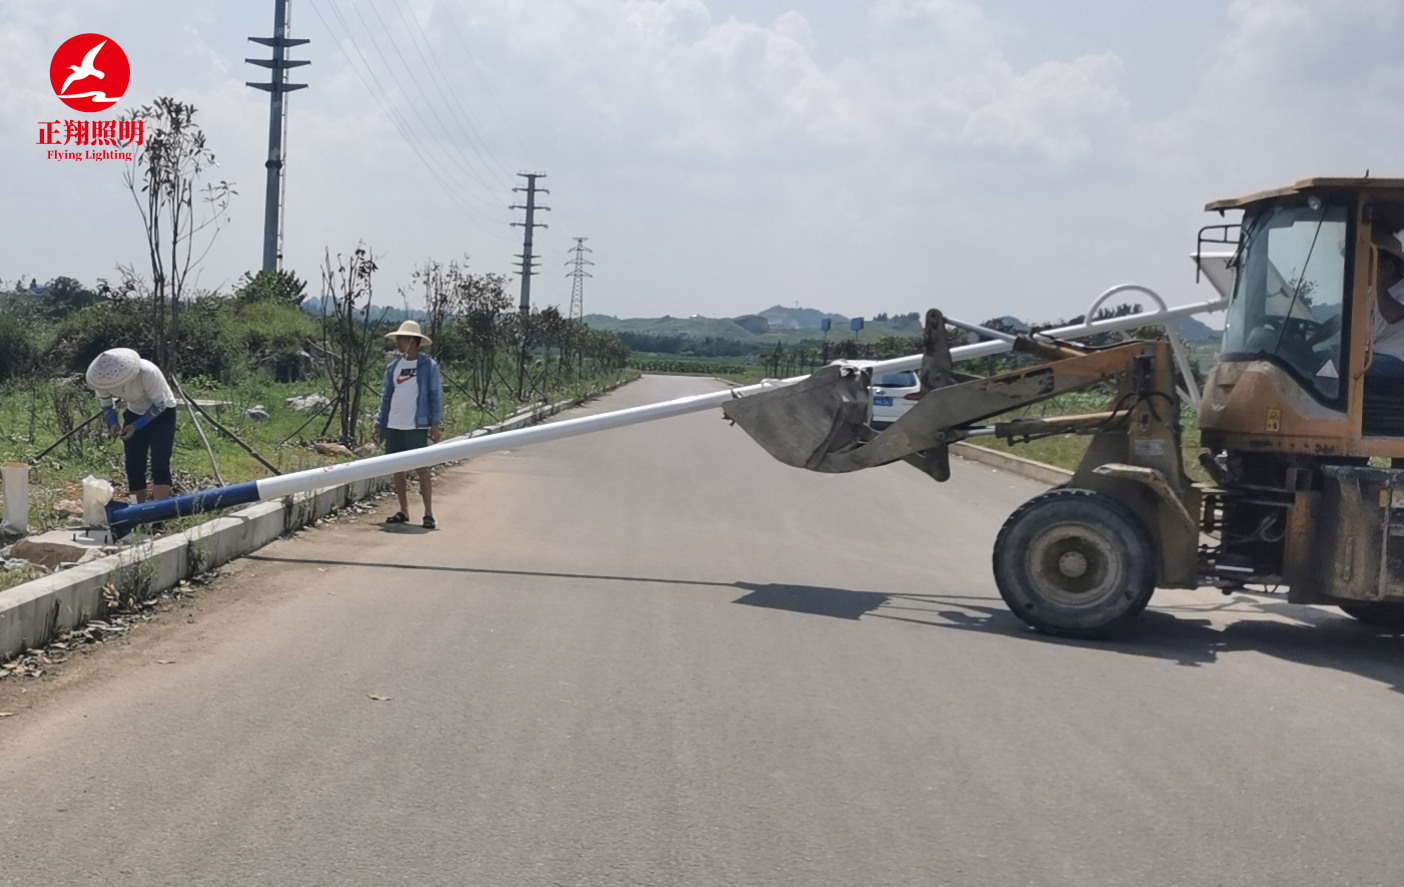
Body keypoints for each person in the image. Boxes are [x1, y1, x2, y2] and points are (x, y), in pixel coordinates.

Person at [372, 320, 444, 529]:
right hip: (394, 423)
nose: (399, 342)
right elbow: (386, 396)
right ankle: (403, 510)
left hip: (416, 425)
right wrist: (379, 423)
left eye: (402, 338)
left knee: (421, 468)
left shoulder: (427, 366)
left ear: (413, 340)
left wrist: (434, 423)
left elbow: (434, 395)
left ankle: (428, 513)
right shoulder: (393, 367)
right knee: (397, 469)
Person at [85, 348, 179, 504]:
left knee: (159, 464)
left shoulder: (147, 372)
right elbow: (107, 405)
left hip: (163, 414)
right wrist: (113, 423)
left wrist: (136, 426)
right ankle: (138, 509)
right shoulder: (102, 381)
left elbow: (160, 405)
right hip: (134, 412)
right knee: (134, 466)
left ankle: (160, 513)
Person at [1368, 230, 1404, 377]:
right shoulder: (1369, 294)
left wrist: (1380, 284)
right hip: (1374, 356)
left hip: (1397, 360)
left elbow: (1392, 316)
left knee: (1347, 368)